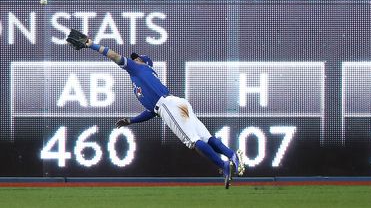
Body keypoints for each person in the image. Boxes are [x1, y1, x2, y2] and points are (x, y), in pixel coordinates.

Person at [66, 29, 245, 188]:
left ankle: (223, 166)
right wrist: (131, 120)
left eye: (138, 58)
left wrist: (92, 45)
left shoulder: (138, 69)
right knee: (206, 138)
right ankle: (232, 156)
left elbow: (113, 55)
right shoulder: (142, 79)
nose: (135, 59)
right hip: (176, 104)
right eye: (135, 58)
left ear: (145, 63)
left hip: (167, 105)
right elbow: (151, 111)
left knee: (193, 141)